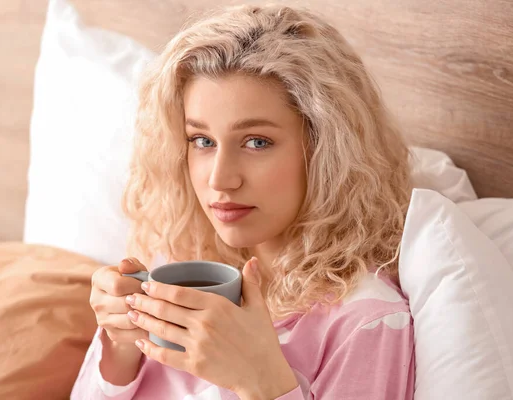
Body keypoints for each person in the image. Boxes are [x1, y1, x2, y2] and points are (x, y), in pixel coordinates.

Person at [72, 4, 415, 399]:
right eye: (202, 141)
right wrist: (120, 345)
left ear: (326, 149)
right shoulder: (181, 264)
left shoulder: (366, 322)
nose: (220, 179)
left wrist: (263, 383)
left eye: (256, 142)